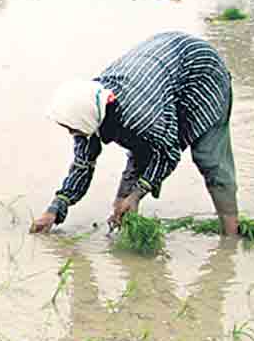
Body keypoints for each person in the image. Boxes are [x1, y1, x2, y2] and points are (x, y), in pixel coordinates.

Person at [30, 32, 239, 236]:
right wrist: (55, 208)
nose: (71, 132)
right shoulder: (88, 109)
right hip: (161, 69)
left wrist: (137, 194)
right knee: (138, 160)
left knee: (209, 159)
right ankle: (124, 226)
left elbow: (169, 153)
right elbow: (82, 165)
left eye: (71, 128)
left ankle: (231, 236)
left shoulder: (140, 116)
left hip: (202, 72)